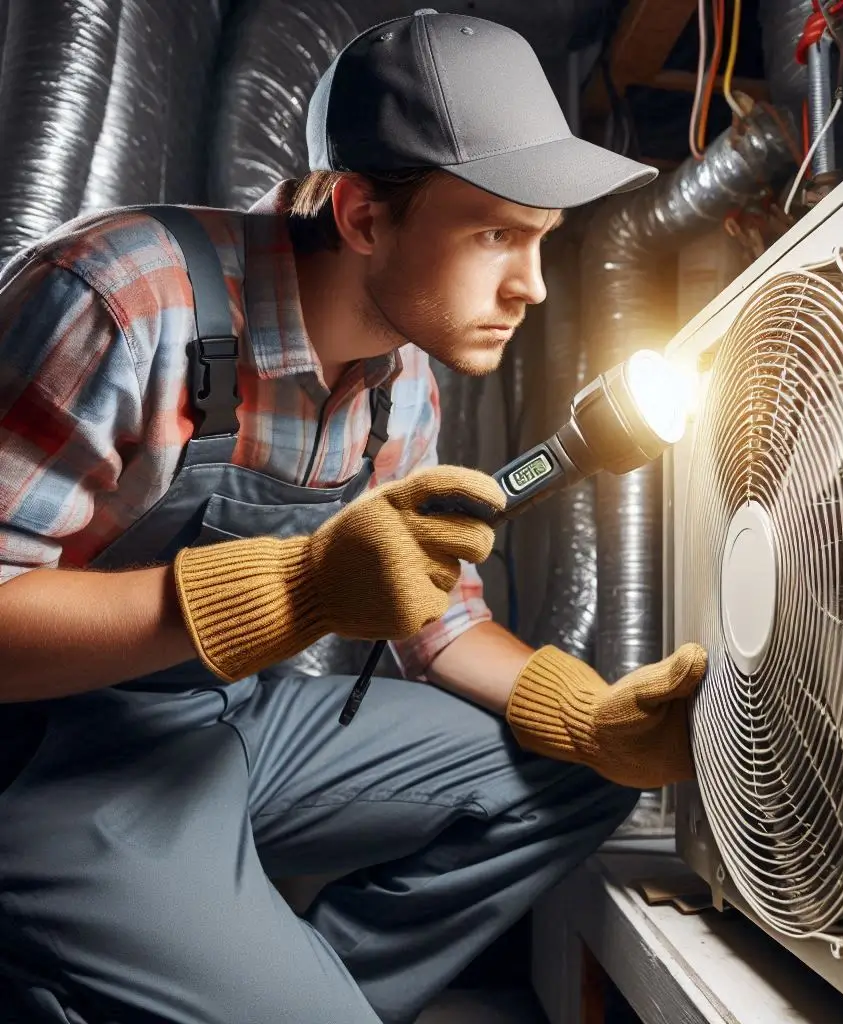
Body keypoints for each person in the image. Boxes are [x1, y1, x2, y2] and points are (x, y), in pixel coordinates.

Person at [0, 10, 707, 1023]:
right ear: (362, 214)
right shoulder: (124, 297)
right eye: (495, 233)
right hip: (48, 773)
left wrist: (589, 717)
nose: (531, 287)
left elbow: (438, 616)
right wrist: (298, 588)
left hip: (216, 725)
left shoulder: (398, 377)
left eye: (542, 241)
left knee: (578, 773)